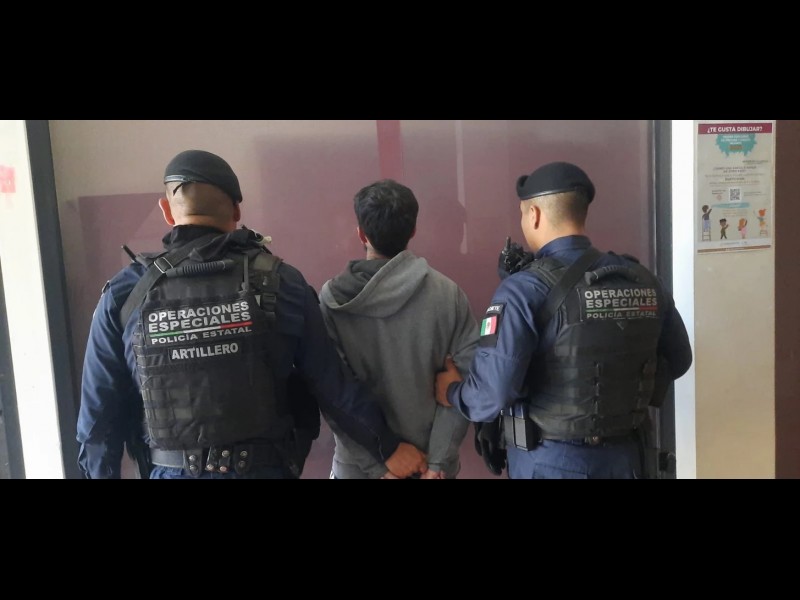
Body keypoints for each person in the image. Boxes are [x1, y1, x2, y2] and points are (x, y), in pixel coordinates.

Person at [76, 149, 428, 479]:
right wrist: (387, 446)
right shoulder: (282, 283)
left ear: (167, 211)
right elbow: (331, 383)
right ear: (236, 211)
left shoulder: (125, 294)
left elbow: (97, 421)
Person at [435, 161, 693, 479]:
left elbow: (492, 394)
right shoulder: (641, 278)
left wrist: (453, 391)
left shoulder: (524, 288)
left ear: (534, 215)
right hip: (629, 457)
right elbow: (679, 359)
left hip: (552, 459)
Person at [319, 179, 479, 479]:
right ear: (413, 230)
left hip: (358, 469)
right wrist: (438, 464)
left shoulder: (330, 301)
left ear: (361, 233)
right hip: (430, 466)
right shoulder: (448, 295)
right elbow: (463, 383)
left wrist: (379, 466)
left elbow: (332, 395)